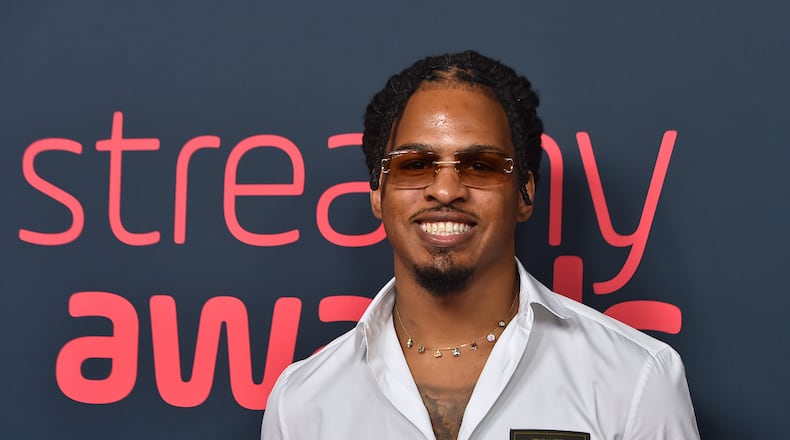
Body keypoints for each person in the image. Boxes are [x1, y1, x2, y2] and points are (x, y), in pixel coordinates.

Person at [261, 50, 700, 440]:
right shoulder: (302, 402)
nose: (446, 189)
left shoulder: (636, 379)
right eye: (415, 164)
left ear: (524, 194)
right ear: (378, 193)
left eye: (481, 165)